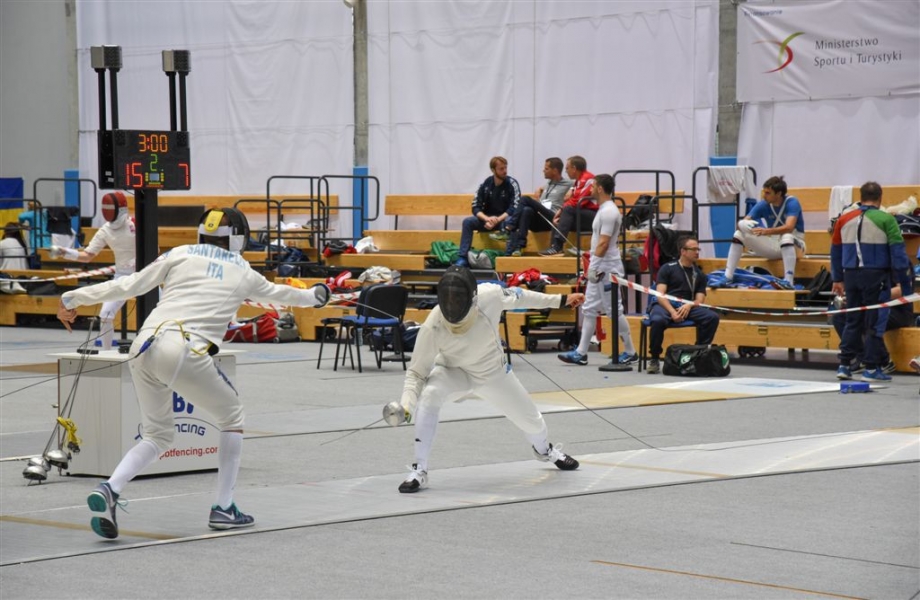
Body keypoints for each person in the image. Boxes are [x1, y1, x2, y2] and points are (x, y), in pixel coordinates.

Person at [56, 207, 331, 538]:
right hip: (183, 350)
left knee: (158, 435)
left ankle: (111, 488)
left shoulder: (180, 253)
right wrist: (316, 296)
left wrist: (72, 297)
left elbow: (130, 285)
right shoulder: (242, 270)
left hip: (143, 346)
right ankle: (224, 507)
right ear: (238, 238)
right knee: (232, 417)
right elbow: (283, 295)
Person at [381, 265, 585, 493]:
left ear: (472, 297)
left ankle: (545, 450)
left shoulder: (490, 295)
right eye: (448, 298)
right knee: (430, 395)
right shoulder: (434, 323)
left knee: (533, 423)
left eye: (458, 298)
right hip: (454, 373)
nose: (452, 304)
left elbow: (521, 296)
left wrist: (561, 300)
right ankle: (420, 469)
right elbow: (417, 373)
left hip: (492, 374)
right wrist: (407, 405)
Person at [831, 181, 912, 382]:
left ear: (861, 197)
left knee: (853, 319)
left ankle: (844, 365)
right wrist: (906, 284)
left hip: (850, 275)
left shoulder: (843, 219)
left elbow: (835, 251)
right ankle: (871, 368)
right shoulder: (886, 219)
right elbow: (898, 254)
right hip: (876, 276)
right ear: (880, 197)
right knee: (875, 321)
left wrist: (837, 278)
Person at [558, 174, 638, 365]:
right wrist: (592, 262)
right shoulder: (603, 210)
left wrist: (593, 267)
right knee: (589, 308)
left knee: (614, 310)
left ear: (600, 188)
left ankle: (630, 352)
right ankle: (581, 353)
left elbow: (603, 243)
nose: (591, 189)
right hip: (599, 266)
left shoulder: (609, 211)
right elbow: (598, 244)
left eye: (593, 186)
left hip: (607, 269)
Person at [50, 192, 136, 349]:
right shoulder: (105, 230)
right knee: (105, 315)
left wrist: (138, 260)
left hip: (144, 274)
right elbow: (87, 256)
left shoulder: (135, 223)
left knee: (163, 309)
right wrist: (65, 252)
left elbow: (154, 248)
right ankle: (106, 354)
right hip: (122, 276)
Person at [646, 235, 720, 374]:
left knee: (712, 317)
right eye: (693, 249)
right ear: (683, 251)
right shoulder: (667, 268)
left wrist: (689, 305)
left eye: (698, 249)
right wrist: (672, 312)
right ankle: (654, 358)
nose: (697, 252)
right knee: (657, 320)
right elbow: (660, 294)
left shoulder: (699, 274)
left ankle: (699, 352)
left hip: (686, 307)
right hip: (665, 305)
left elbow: (700, 300)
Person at [724, 176, 805, 288]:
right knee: (739, 234)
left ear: (778, 193)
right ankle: (728, 277)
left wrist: (766, 231)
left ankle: (788, 281)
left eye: (768, 193)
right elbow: (740, 225)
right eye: (764, 192)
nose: (764, 195)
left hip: (796, 245)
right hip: (775, 243)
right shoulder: (764, 204)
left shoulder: (792, 202)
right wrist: (742, 224)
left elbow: (789, 227)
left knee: (786, 236)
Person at [831, 267, 913, 375]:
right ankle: (863, 357)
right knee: (840, 318)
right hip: (872, 304)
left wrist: (874, 296)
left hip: (898, 310)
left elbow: (902, 289)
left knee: (870, 318)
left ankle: (883, 361)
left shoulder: (898, 262)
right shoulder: (869, 263)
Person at [456, 156, 521, 267]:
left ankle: (508, 257)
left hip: (503, 220)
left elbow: (514, 207)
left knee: (511, 221)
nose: (505, 171)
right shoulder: (485, 184)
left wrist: (497, 220)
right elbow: (475, 207)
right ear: (493, 170)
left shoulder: (512, 183)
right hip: (488, 220)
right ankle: (463, 258)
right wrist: (487, 219)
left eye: (505, 168)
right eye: (501, 169)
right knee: (467, 222)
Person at [505, 157, 573, 256]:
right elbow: (544, 189)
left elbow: (582, 184)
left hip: (553, 217)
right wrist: (540, 189)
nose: (543, 170)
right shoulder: (548, 184)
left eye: (546, 169)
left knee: (525, 199)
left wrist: (572, 189)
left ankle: (510, 226)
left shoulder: (568, 183)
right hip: (541, 219)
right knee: (526, 210)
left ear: (555, 171)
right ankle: (520, 246)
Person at [539, 155, 596, 256]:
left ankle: (557, 246)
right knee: (560, 218)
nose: (565, 171)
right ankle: (554, 247)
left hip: (595, 216)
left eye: (567, 168)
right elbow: (573, 200)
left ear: (574, 168)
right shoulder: (578, 181)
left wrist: (561, 209)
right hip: (583, 214)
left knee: (568, 209)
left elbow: (579, 201)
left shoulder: (587, 179)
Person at [0, 222, 29, 294]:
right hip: (22, 281)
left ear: (5, 232)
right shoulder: (21, 244)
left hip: (8, 281)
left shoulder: (2, 244)